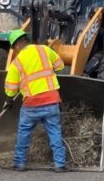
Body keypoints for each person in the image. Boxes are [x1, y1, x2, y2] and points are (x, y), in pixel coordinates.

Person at [5, 29, 68, 172]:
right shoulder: (45, 50)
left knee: (24, 133)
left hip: (31, 104)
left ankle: (19, 163)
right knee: (55, 132)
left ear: (17, 45)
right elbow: (60, 65)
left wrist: (9, 99)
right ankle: (60, 164)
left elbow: (11, 88)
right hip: (52, 100)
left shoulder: (17, 62)